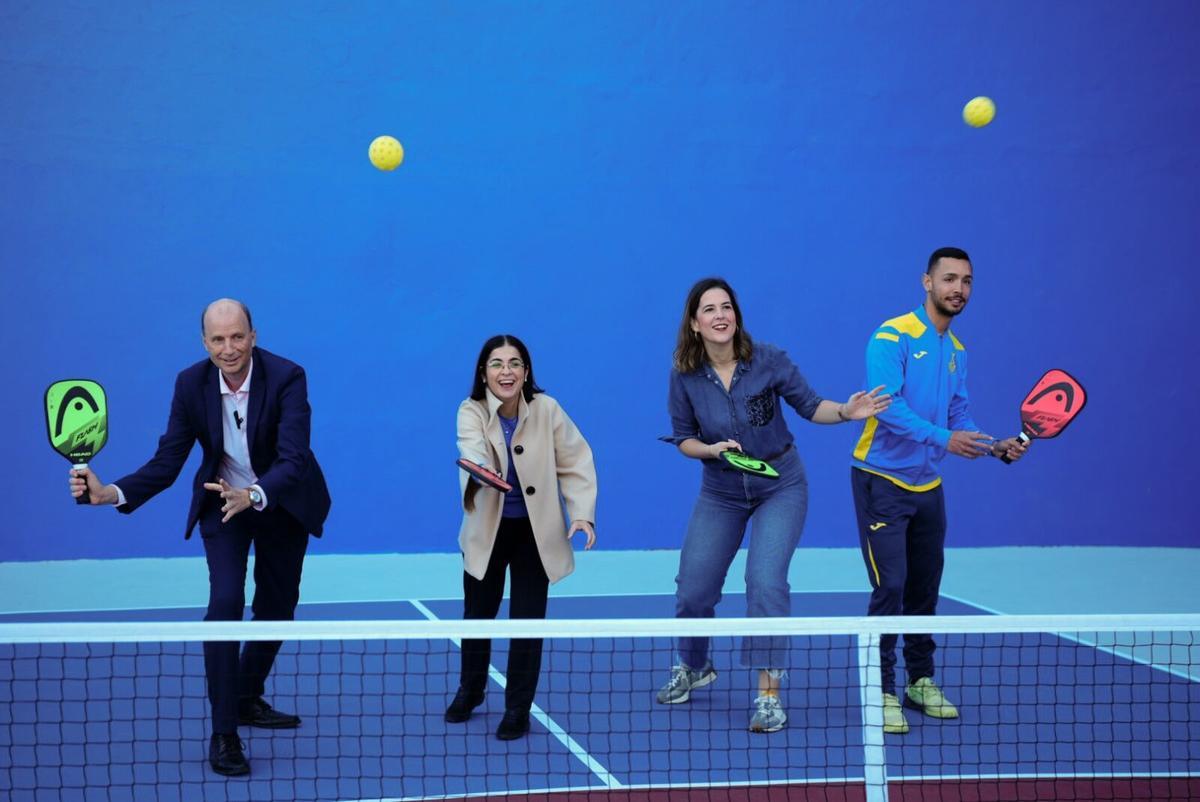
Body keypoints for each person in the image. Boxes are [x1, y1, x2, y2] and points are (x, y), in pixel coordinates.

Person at [68, 299, 331, 776]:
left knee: (277, 609)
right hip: (220, 501)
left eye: (237, 337)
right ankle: (225, 731)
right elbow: (168, 460)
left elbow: (294, 459)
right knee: (225, 603)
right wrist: (110, 493)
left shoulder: (288, 376)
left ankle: (247, 696)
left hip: (278, 501)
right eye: (218, 339)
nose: (228, 349)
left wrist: (252, 494)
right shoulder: (191, 384)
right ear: (204, 343)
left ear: (253, 336)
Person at [658, 277, 890, 733]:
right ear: (695, 322)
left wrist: (845, 411)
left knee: (765, 582)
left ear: (736, 316)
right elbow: (683, 436)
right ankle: (694, 665)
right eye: (710, 310)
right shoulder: (683, 374)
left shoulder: (768, 360)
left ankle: (768, 697)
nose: (721, 315)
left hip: (780, 484)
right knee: (693, 588)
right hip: (721, 490)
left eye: (727, 307)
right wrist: (709, 451)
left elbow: (811, 406)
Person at [849, 247, 1027, 735]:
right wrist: (946, 439)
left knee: (924, 590)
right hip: (881, 479)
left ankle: (919, 680)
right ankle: (881, 688)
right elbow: (885, 407)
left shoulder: (958, 351)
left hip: (929, 486)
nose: (959, 289)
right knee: (890, 588)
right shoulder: (892, 336)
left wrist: (992, 446)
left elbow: (957, 415)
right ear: (926, 282)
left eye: (967, 281)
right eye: (949, 279)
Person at [446, 334, 598, 741]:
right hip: (488, 532)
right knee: (477, 617)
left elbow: (576, 461)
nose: (506, 371)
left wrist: (582, 514)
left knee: (528, 622)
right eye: (497, 364)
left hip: (535, 533)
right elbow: (472, 450)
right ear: (484, 373)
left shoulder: (548, 410)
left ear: (526, 372)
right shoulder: (471, 410)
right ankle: (471, 689)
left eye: (515, 364)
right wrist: (483, 473)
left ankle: (517, 708)